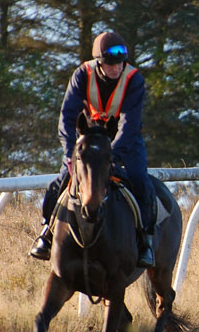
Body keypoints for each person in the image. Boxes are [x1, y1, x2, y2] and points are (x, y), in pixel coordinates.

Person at [29, 31, 156, 268]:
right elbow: (66, 117)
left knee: (140, 180)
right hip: (88, 140)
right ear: (99, 62)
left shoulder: (134, 79)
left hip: (124, 143)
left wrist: (113, 156)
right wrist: (69, 153)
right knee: (60, 181)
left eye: (120, 63)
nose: (116, 68)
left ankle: (144, 241)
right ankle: (46, 232)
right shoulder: (81, 75)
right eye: (110, 64)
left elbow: (129, 125)